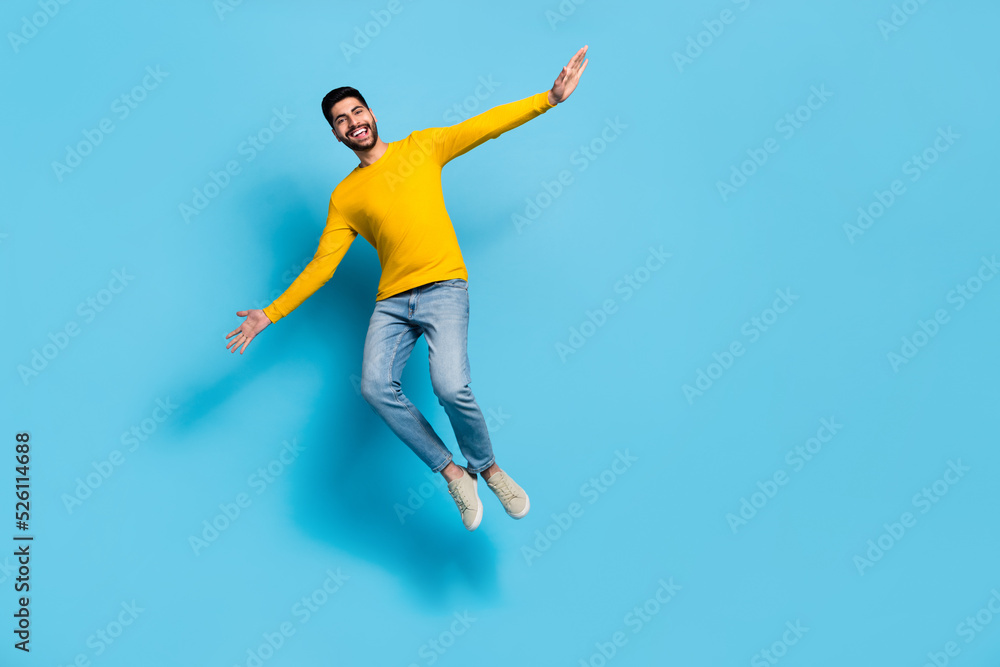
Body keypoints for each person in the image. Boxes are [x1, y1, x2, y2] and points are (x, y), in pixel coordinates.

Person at [225, 46, 589, 531]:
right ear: (335, 134)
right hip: (393, 304)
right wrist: (270, 314)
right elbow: (322, 266)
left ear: (372, 114)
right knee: (376, 388)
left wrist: (549, 98)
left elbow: (483, 125)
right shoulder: (345, 197)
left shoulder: (422, 147)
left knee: (451, 385)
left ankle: (489, 468)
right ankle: (453, 472)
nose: (352, 121)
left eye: (357, 111)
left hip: (443, 288)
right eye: (340, 119)